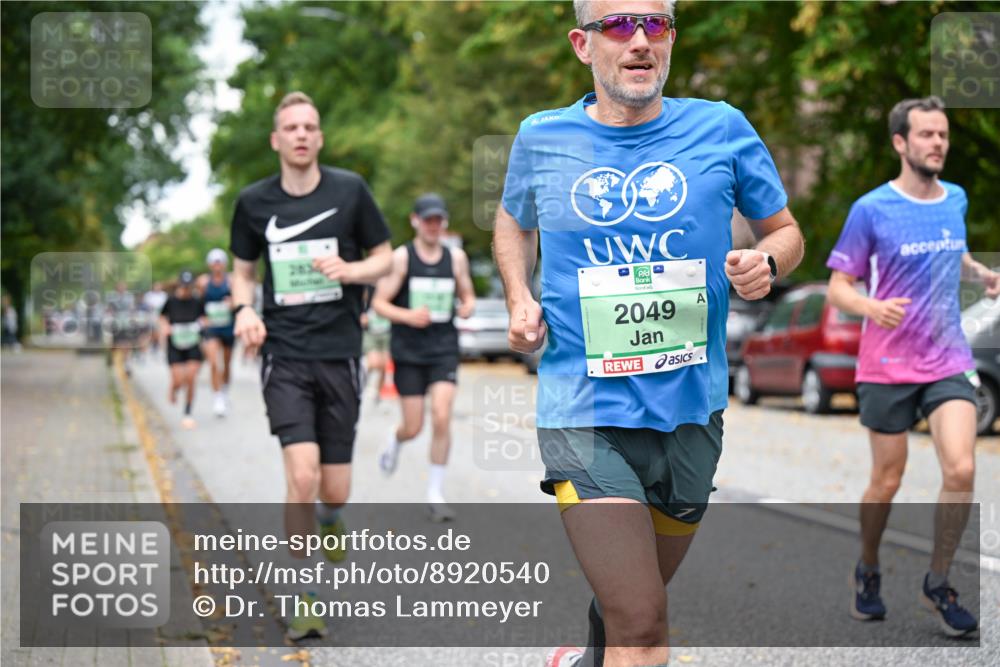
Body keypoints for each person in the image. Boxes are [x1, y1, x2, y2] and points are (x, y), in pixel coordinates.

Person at [493, 2, 805, 665]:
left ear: (670, 39)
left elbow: (786, 230)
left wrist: (767, 262)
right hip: (583, 410)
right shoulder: (542, 136)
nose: (639, 40)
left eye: (655, 25)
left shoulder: (721, 128)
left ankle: (585, 656)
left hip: (692, 412)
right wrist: (519, 295)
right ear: (583, 44)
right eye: (618, 26)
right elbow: (514, 221)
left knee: (631, 598)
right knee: (642, 624)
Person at [826, 96, 998, 637]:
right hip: (887, 365)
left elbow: (955, 252)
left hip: (947, 359)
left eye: (942, 135)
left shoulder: (957, 199)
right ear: (901, 142)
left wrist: (981, 272)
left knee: (962, 470)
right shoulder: (871, 209)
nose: (937, 144)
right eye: (926, 135)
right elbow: (838, 288)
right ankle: (869, 568)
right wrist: (871, 307)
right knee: (887, 479)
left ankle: (939, 581)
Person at [229, 91, 393, 640]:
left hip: (340, 353)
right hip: (285, 354)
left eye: (310, 126)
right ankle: (305, 597)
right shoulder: (253, 202)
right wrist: (245, 310)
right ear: (276, 140)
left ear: (319, 138)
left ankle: (330, 518)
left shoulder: (350, 191)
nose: (301, 134)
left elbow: (386, 257)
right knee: (300, 477)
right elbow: (242, 272)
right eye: (291, 127)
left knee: (334, 489)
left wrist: (350, 271)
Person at [372, 193, 476, 521]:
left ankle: (435, 492)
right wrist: (407, 316)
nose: (433, 226)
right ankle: (396, 437)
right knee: (414, 426)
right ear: (415, 221)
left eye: (438, 220)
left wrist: (468, 306)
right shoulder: (402, 258)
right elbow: (379, 302)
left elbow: (468, 293)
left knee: (442, 416)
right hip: (409, 351)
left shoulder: (455, 258)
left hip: (443, 348)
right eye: (427, 219)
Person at [159, 271, 205, 430]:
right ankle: (174, 387)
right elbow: (162, 317)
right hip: (175, 343)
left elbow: (205, 317)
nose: (186, 289)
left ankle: (188, 413)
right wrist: (166, 328)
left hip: (192, 342)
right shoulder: (171, 301)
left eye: (189, 286)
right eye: (184, 286)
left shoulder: (197, 301)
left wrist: (200, 325)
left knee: (191, 377)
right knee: (179, 379)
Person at [198, 248, 236, 417]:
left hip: (228, 326)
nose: (217, 266)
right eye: (214, 262)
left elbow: (242, 302)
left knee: (227, 363)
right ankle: (217, 397)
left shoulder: (232, 281)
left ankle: (225, 390)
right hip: (212, 327)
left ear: (225, 264)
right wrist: (201, 318)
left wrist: (233, 302)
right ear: (210, 265)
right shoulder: (203, 283)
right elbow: (199, 304)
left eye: (220, 262)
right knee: (214, 362)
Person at [361, 284, 392, 401]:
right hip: (371, 331)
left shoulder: (390, 287)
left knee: (384, 365)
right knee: (374, 362)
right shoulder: (368, 289)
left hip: (386, 331)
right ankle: (364, 384)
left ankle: (377, 393)